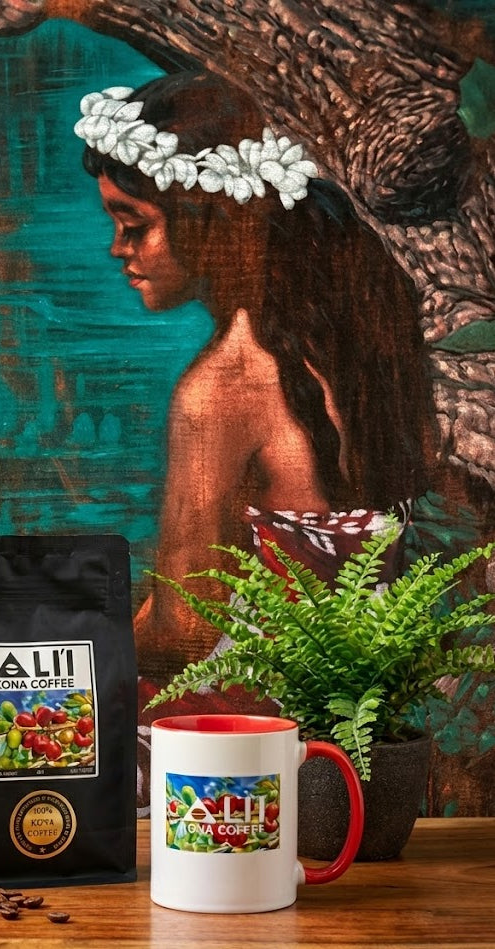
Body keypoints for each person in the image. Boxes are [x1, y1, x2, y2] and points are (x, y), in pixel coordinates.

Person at [75, 71, 436, 689]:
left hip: (254, 715)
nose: (116, 249)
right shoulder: (359, 346)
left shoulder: (222, 389)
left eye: (133, 225)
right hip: (360, 704)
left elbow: (183, 632)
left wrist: (70, 664)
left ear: (209, 219)